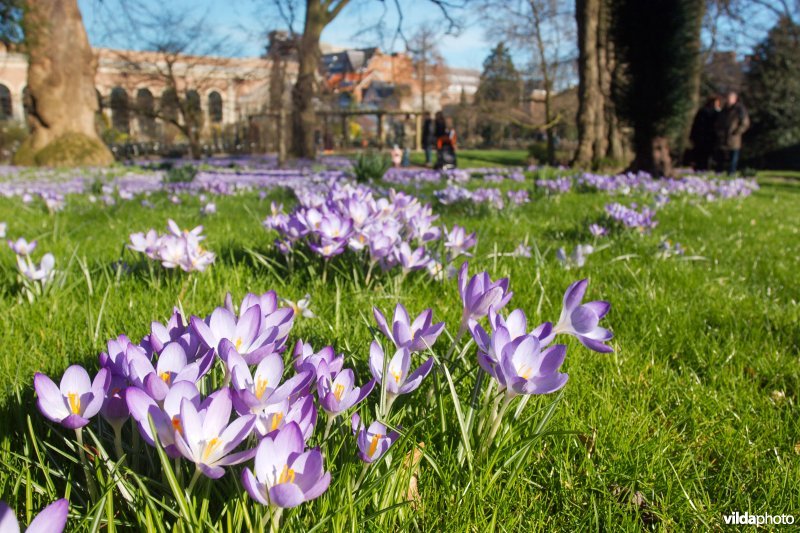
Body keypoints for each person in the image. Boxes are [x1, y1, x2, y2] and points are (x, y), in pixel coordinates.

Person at [715, 91, 750, 174]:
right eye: (727, 98)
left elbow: (745, 123)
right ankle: (719, 171)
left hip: (734, 137)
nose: (727, 100)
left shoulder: (740, 109)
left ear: (735, 99)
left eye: (729, 98)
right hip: (723, 137)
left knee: (733, 155)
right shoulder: (724, 110)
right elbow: (718, 122)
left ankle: (731, 172)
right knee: (721, 155)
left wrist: (737, 132)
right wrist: (718, 131)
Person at [689, 95, 720, 171]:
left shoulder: (716, 113)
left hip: (708, 137)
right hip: (703, 137)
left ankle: (703, 168)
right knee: (702, 155)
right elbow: (696, 125)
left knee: (705, 155)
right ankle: (701, 168)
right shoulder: (704, 112)